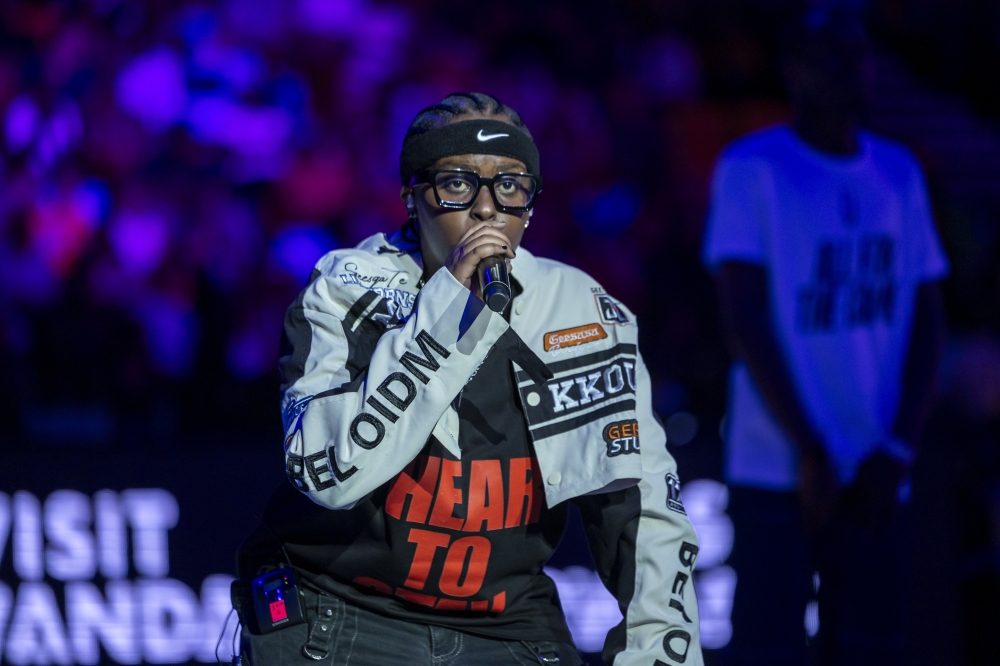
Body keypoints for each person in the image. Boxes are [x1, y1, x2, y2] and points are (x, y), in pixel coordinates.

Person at [233, 92, 704, 666]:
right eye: (457, 184)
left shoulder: (583, 312)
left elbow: (643, 511)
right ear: (411, 197)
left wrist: (659, 651)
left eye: (510, 186)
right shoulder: (347, 287)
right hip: (341, 608)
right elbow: (327, 472)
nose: (486, 209)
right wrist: (450, 309)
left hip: (508, 626)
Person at [701, 12, 949, 666]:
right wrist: (811, 452)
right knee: (768, 651)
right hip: (776, 466)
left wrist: (897, 449)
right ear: (795, 70)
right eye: (831, 54)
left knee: (871, 650)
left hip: (876, 465)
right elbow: (744, 321)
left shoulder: (899, 171)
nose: (852, 69)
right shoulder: (752, 167)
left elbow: (928, 321)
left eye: (860, 54)